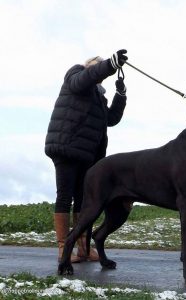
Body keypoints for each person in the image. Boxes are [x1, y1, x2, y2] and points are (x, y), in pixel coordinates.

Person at [45, 49, 128, 263]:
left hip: (88, 155)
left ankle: (83, 247)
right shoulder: (76, 75)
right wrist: (109, 64)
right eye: (97, 63)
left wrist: (120, 95)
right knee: (64, 196)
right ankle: (64, 248)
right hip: (66, 146)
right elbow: (87, 77)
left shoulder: (99, 97)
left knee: (84, 201)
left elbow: (110, 119)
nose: (99, 66)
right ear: (88, 65)